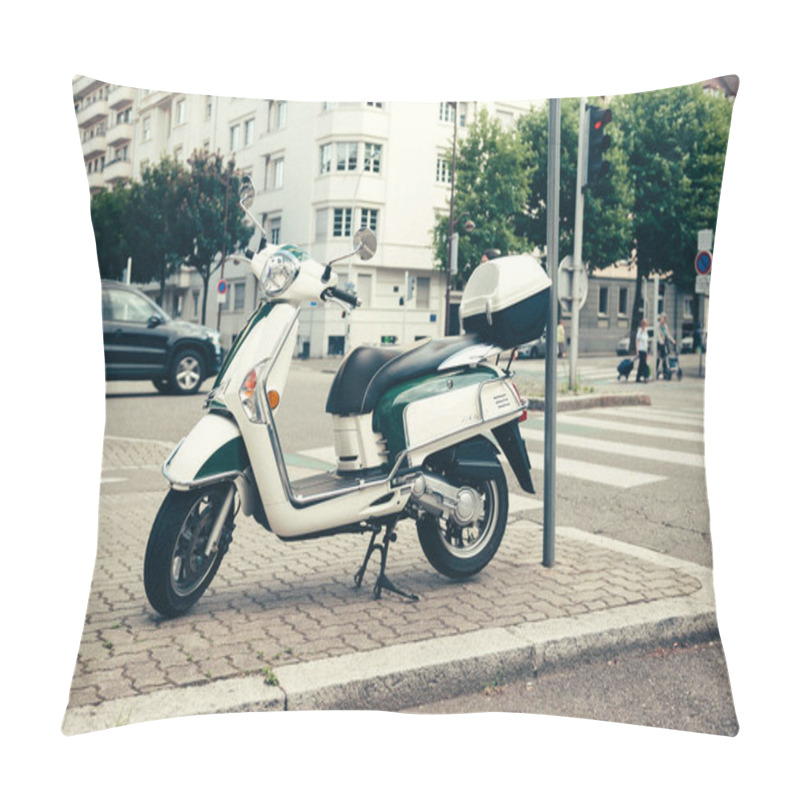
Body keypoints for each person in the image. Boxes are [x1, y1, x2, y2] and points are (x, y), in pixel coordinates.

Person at [656, 313, 676, 378]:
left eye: (664, 319)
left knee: (665, 357)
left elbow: (667, 334)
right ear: (660, 319)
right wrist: (660, 341)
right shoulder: (658, 325)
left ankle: (665, 373)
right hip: (659, 343)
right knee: (658, 357)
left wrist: (672, 340)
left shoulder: (665, 326)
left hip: (665, 343)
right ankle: (656, 371)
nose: (663, 320)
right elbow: (658, 334)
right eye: (663, 318)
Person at [636, 318, 649, 383]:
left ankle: (638, 377)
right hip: (641, 350)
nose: (645, 325)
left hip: (645, 350)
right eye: (644, 324)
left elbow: (646, 341)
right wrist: (637, 350)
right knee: (644, 364)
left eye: (646, 324)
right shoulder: (640, 331)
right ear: (642, 324)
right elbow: (637, 341)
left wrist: (647, 350)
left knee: (641, 364)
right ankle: (645, 377)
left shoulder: (646, 331)